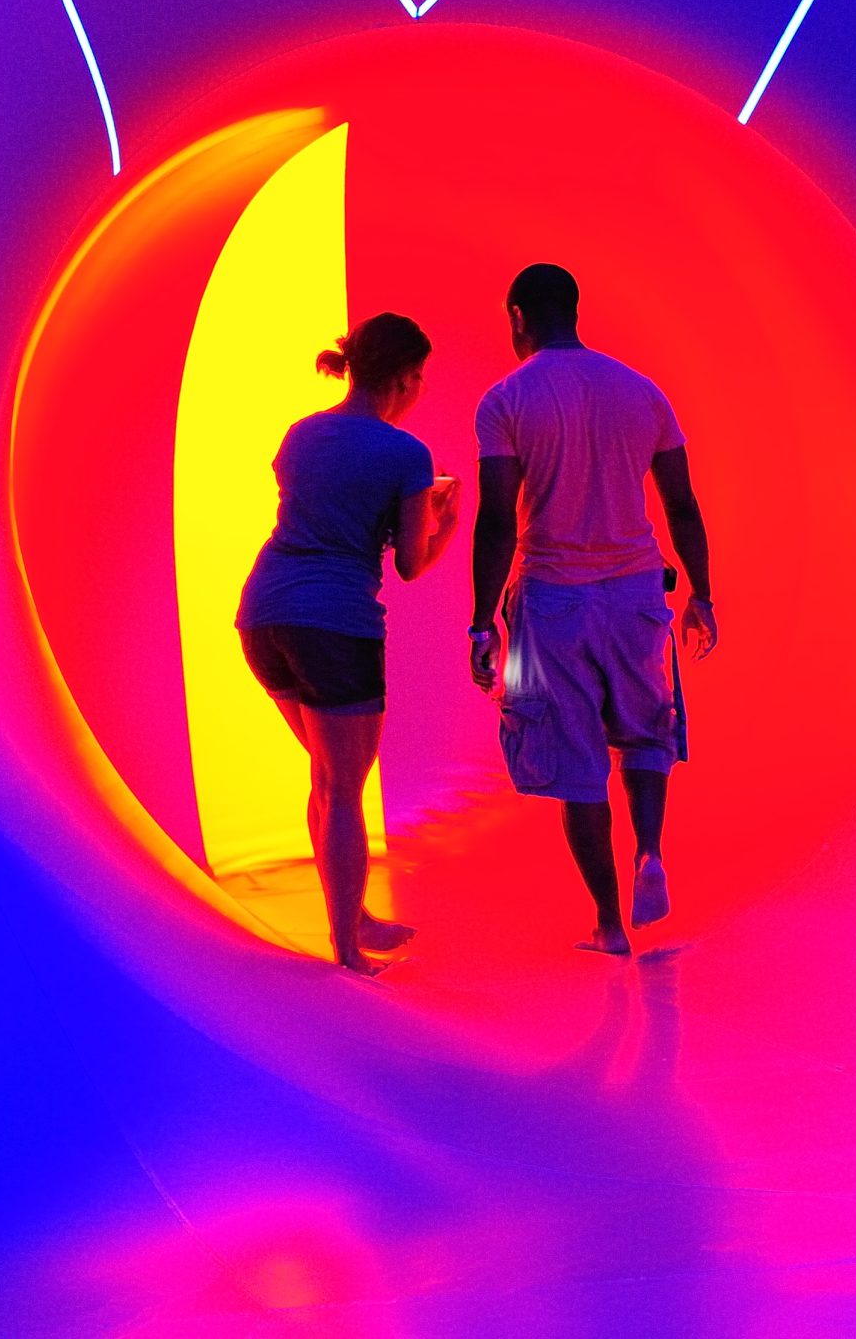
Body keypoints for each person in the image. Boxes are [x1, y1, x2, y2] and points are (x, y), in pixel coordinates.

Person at [467, 264, 717, 955]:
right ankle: (651, 851)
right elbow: (682, 503)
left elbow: (495, 518)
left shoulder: (506, 399)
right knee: (645, 734)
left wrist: (482, 617)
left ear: (518, 315)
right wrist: (702, 590)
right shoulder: (641, 391)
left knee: (576, 762)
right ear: (575, 310)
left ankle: (609, 923)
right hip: (636, 590)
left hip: (553, 600)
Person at [239, 312, 461, 973]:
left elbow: (318, 505)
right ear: (402, 378)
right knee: (344, 786)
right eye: (420, 379)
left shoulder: (302, 433)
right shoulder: (405, 453)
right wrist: (444, 519)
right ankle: (346, 947)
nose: (421, 390)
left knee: (328, 776)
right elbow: (411, 564)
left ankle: (351, 910)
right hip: (335, 625)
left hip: (264, 615)